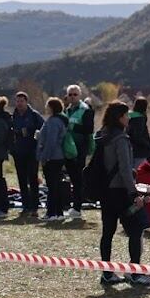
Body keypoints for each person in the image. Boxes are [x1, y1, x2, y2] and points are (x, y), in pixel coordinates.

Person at [94, 102, 150, 287]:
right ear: (119, 117)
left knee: (107, 232)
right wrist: (134, 192)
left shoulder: (101, 135)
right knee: (136, 229)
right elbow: (124, 169)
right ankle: (135, 273)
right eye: (126, 115)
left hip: (105, 192)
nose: (128, 119)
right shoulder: (120, 139)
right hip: (121, 193)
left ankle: (107, 273)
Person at [36, 97, 70, 222]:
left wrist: (44, 157)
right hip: (58, 157)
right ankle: (58, 212)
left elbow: (51, 141)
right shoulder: (60, 120)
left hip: (52, 158)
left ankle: (52, 213)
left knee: (52, 186)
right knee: (56, 185)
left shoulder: (53, 121)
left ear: (52, 107)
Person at [63, 85, 95, 219]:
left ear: (80, 95)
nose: (72, 97)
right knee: (72, 177)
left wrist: (73, 126)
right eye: (70, 94)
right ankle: (74, 205)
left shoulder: (85, 110)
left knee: (78, 178)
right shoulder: (67, 110)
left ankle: (77, 207)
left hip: (80, 148)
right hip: (68, 148)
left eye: (75, 94)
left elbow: (89, 129)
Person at [10, 91, 42, 217]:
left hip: (32, 151)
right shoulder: (14, 115)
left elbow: (42, 128)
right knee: (22, 179)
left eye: (21, 101)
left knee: (33, 179)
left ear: (26, 102)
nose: (19, 103)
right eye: (17, 101)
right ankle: (25, 205)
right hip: (18, 152)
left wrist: (31, 133)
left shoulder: (34, 115)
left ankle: (34, 207)